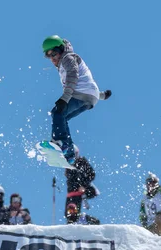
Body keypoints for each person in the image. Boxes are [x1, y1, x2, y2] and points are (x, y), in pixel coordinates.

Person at [43, 35, 112, 164]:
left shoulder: (68, 59)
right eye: (49, 56)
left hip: (80, 94)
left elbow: (73, 77)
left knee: (57, 113)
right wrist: (102, 96)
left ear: (61, 50)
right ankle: (69, 152)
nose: (52, 58)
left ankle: (62, 143)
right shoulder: (65, 61)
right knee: (62, 119)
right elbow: (88, 83)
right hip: (90, 98)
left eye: (54, 53)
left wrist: (64, 98)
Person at [64, 148, 99, 224]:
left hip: (83, 190)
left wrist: (84, 186)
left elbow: (91, 174)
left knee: (73, 212)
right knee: (71, 213)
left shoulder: (82, 162)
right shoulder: (69, 165)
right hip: (73, 193)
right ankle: (76, 220)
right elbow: (70, 179)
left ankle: (90, 221)